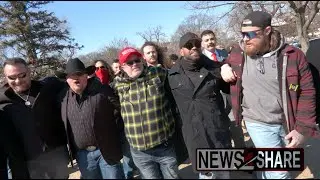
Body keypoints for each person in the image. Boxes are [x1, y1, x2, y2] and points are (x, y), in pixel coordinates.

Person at [220, 11, 319, 179]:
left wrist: (302, 129)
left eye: (250, 34)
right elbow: (225, 63)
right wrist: (224, 67)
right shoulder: (237, 52)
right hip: (257, 123)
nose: (245, 39)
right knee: (279, 173)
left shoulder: (293, 55)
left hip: (288, 122)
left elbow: (307, 93)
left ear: (267, 31)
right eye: (242, 34)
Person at [168, 32, 232, 179]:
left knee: (224, 175)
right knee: (207, 176)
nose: (194, 48)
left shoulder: (214, 68)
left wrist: (226, 65)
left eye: (196, 44)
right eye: (189, 45)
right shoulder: (171, 75)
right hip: (195, 137)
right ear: (181, 51)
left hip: (217, 133)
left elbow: (230, 91)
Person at [112, 47, 179, 179]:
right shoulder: (117, 84)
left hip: (164, 146)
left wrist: (224, 67)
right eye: (130, 63)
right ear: (122, 67)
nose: (135, 64)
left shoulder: (158, 73)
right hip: (139, 152)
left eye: (137, 60)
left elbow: (180, 72)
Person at [0, 57, 69, 179]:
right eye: (12, 77)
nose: (18, 80)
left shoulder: (48, 87)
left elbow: (72, 84)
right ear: (5, 77)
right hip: (29, 161)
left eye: (22, 75)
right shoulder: (2, 100)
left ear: (29, 71)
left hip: (56, 154)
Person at [59, 58, 124, 179]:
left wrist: (116, 135)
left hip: (106, 151)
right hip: (83, 156)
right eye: (71, 76)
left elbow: (120, 111)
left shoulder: (102, 90)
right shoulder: (62, 98)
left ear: (86, 75)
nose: (75, 78)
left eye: (79, 74)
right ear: (67, 79)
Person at [201, 30, 246, 148]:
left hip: (229, 93)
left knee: (235, 123)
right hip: (213, 97)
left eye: (212, 39)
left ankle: (241, 151)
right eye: (206, 40)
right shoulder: (200, 59)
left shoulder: (224, 52)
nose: (210, 42)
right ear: (202, 43)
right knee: (221, 127)